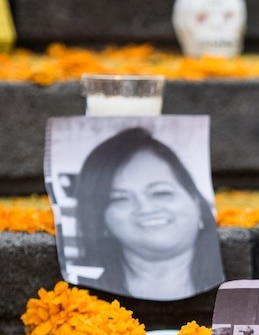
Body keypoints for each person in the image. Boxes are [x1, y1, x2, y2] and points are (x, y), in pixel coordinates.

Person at [72, 127, 224, 301]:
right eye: (120, 199)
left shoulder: (240, 281)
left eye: (160, 193)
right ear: (101, 220)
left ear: (196, 201)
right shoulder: (79, 297)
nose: (145, 208)